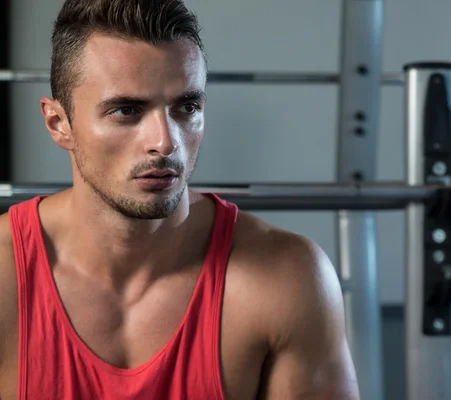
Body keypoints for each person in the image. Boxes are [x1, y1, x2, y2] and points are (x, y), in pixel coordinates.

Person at [0, 0, 359, 398]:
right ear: (59, 123)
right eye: (125, 110)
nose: (165, 142)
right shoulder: (4, 276)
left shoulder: (285, 279)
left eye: (187, 107)